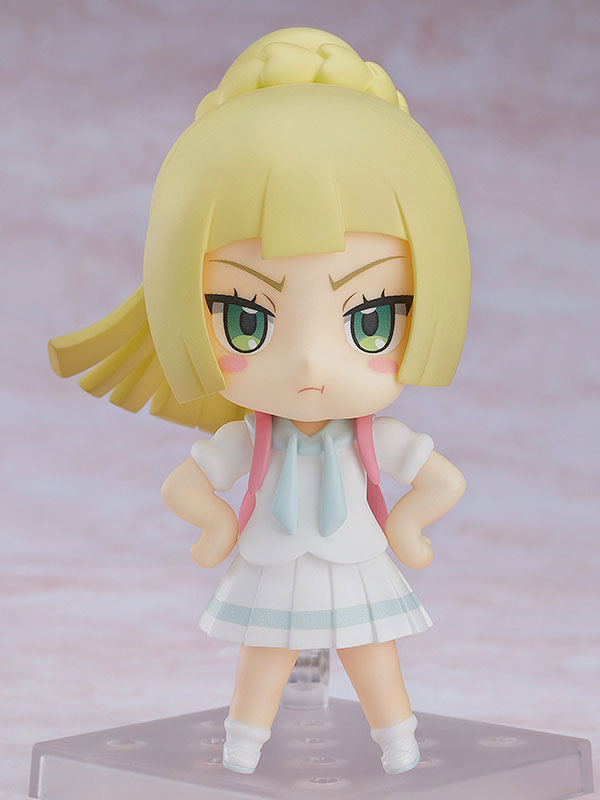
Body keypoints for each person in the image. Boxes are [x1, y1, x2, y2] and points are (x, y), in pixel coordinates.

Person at [49, 26, 470, 776]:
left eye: (369, 319)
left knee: (372, 650)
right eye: (249, 320)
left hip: (356, 561)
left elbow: (442, 481)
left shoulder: (373, 439)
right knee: (264, 653)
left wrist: (406, 528)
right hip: (272, 561)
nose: (308, 362)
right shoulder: (254, 439)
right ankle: (242, 749)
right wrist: (216, 526)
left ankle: (399, 744)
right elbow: (184, 484)